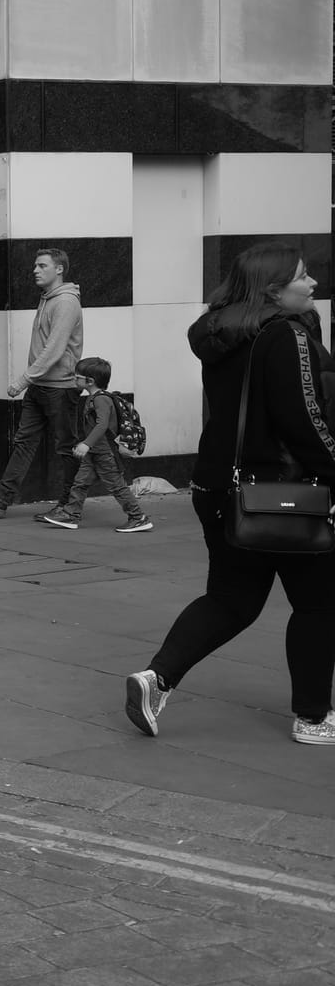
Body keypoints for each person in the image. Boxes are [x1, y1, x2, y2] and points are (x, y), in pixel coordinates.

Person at [126, 242, 335, 745]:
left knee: (231, 598)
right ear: (274, 289)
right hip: (284, 491)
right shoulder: (285, 334)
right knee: (319, 603)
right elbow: (304, 418)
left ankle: (157, 678)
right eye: (302, 276)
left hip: (220, 486)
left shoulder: (222, 331)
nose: (312, 283)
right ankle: (313, 718)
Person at [0, 249, 83, 516]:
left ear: (59, 269)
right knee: (25, 442)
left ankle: (70, 505)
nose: (35, 271)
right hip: (40, 386)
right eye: (35, 266)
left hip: (60, 388)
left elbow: (55, 349)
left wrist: (23, 380)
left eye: (42, 266)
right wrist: (32, 381)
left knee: (66, 448)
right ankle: (0, 497)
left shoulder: (65, 302)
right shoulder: (48, 298)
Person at [34, 357, 150, 532]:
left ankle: (138, 517)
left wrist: (86, 444)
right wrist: (86, 445)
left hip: (104, 453)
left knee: (117, 487)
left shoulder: (100, 399)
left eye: (77, 377)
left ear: (90, 381)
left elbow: (102, 425)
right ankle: (70, 514)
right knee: (80, 483)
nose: (74, 379)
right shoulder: (94, 398)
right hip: (94, 452)